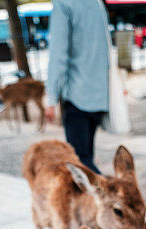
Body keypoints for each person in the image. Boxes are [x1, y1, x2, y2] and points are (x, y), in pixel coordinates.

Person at [46, 0, 109, 173]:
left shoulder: (63, 4)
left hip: (77, 95)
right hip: (99, 95)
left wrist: (51, 97)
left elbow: (58, 55)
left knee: (81, 166)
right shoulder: (96, 3)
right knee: (86, 157)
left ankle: (113, 197)